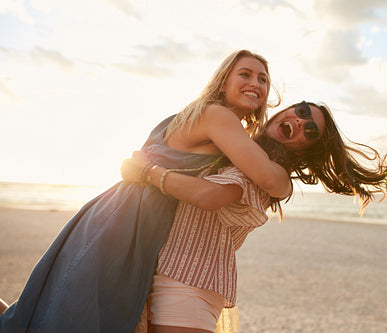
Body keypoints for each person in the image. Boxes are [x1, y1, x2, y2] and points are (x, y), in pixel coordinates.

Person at [0, 49, 292, 333]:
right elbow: (269, 179)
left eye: (263, 79)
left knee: (57, 311)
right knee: (76, 316)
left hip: (122, 215)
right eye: (245, 74)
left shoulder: (207, 118)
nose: (255, 83)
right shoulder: (218, 116)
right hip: (127, 223)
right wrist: (288, 181)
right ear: (223, 81)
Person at [120, 101, 387, 333]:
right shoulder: (238, 147)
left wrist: (147, 173)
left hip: (191, 283)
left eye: (310, 131)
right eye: (301, 111)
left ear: (308, 148)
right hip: (166, 274)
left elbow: (209, 196)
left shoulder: (269, 173)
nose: (300, 122)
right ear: (285, 111)